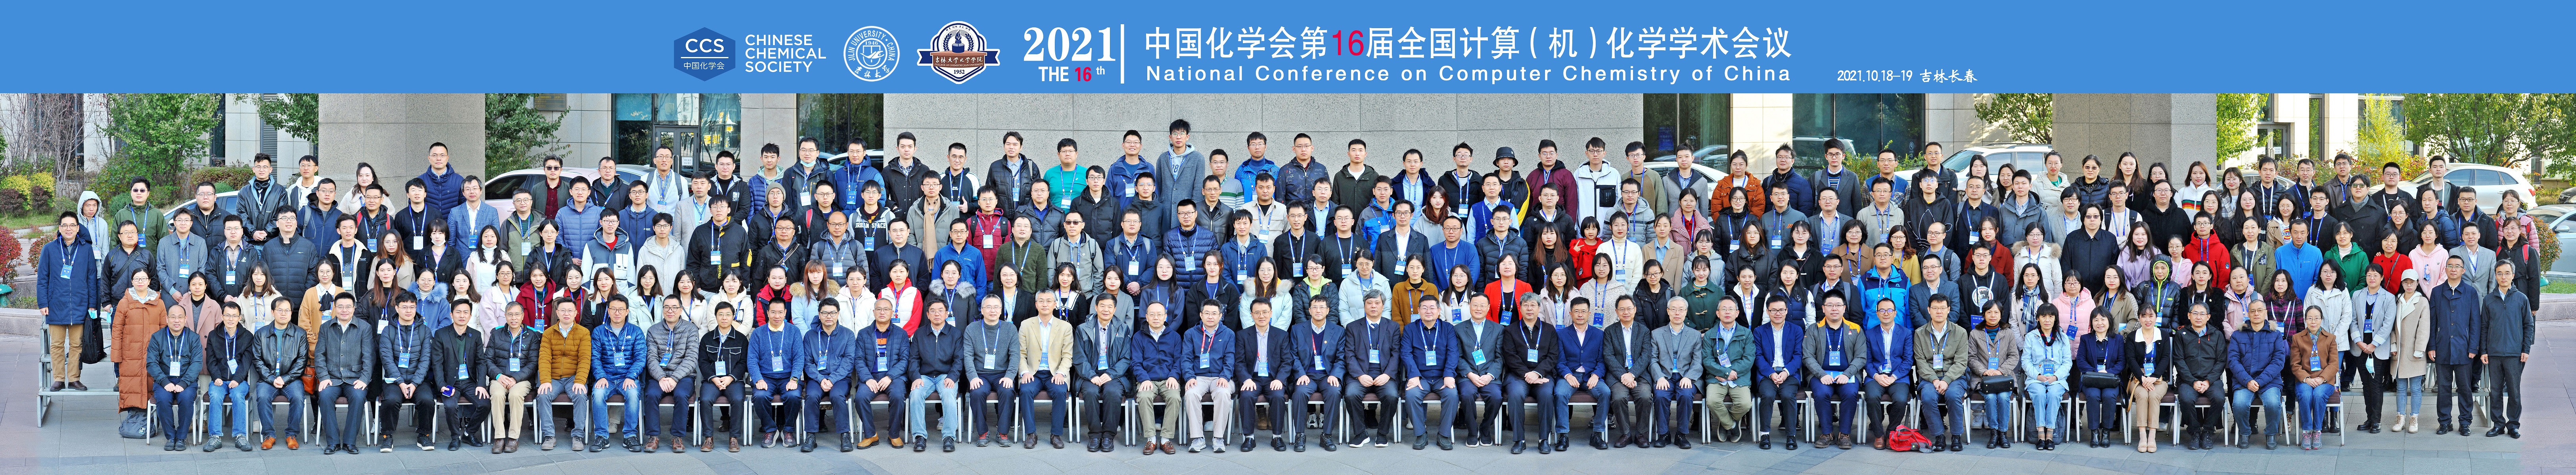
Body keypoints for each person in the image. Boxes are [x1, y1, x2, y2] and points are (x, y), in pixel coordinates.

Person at [36, 212, 94, 392]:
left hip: (79, 304)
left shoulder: (86, 249)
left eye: (72, 225)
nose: (69, 229)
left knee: (77, 344)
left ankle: (74, 379)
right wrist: (43, 303)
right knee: (57, 345)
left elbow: (92, 278)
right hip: (56, 304)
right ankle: (59, 379)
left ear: (78, 228)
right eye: (65, 226)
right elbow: (42, 279)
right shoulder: (49, 249)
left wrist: (93, 304)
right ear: (60, 228)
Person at [1801, 292, 1864, 450]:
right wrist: (1821, 374)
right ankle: (1827, 433)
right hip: (1821, 375)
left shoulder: (1856, 329)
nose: (1834, 309)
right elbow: (1808, 357)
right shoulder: (1814, 329)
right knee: (1821, 394)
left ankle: (1844, 434)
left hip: (1847, 375)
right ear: (1823, 309)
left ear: (1844, 308)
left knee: (1851, 394)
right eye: (1830, 305)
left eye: (1838, 305)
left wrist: (1847, 374)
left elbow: (1861, 357)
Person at [2426, 256, 2480, 436]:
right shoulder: (2437, 292)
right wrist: (2432, 346)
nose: (2453, 269)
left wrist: (2473, 348)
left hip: (2464, 348)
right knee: (2444, 388)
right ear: (2446, 269)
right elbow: (2432, 321)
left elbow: (2475, 322)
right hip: (2442, 347)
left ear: (2463, 271)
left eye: (2457, 266)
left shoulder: (2471, 292)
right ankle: (2445, 422)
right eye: (2450, 266)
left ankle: (2465, 422)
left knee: (2465, 388)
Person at [1399, 296, 1461, 450]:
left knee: (1452, 395)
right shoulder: (1410, 329)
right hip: (1420, 376)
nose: (1429, 311)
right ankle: (1421, 434)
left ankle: (1444, 435)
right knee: (1411, 395)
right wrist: (1414, 375)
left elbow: (1453, 353)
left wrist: (1449, 375)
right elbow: (1406, 354)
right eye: (1425, 308)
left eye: (1432, 308)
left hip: (1442, 377)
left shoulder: (1448, 329)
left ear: (1439, 311)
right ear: (1418, 311)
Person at [247, 296, 309, 450]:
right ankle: (269, 435)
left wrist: (286, 378)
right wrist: (271, 378)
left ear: (291, 313)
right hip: (268, 379)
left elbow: (302, 361)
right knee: (262, 397)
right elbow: (257, 360)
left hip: (292, 379)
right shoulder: (261, 334)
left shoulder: (300, 334)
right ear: (272, 312)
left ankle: (291, 435)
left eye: (287, 311)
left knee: (298, 397)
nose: (284, 314)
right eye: (280, 310)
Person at [2227, 295, 2288, 449]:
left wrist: (2260, 381)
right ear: (2248, 314)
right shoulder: (2238, 335)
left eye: (2260, 311)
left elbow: (2278, 361)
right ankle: (2245, 432)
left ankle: (2271, 433)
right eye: (2253, 311)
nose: (2256, 314)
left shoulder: (2275, 335)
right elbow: (2233, 361)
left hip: (2270, 381)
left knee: (2273, 403)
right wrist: (2248, 380)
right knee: (2239, 404)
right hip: (2244, 381)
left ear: (2266, 313)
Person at [1073, 297, 1134, 452]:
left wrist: (1112, 374)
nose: (1106, 310)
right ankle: (1095, 435)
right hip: (1090, 373)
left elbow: (1126, 358)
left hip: (1114, 374)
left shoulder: (1124, 329)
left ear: (1115, 310)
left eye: (1110, 307)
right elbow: (1079, 358)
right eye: (1102, 306)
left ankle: (1108, 436)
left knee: (1113, 392)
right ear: (1096, 308)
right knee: (1090, 392)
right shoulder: (1083, 329)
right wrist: (1091, 375)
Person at [1231, 299, 1293, 452]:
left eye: (1265, 312)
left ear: (1271, 314)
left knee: (1278, 396)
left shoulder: (1282, 335)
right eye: (1257, 313)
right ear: (1252, 315)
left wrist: (1280, 379)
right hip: (1252, 378)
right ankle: (1249, 438)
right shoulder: (1243, 335)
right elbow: (1239, 362)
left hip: (1274, 378)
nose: (1261, 316)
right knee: (1246, 396)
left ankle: (1277, 437)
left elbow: (1287, 362)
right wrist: (1246, 379)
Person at [959, 295, 1020, 447]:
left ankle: (1003, 432)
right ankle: (983, 432)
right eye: (989, 307)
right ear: (982, 310)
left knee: (1008, 391)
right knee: (977, 392)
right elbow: (968, 356)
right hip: (980, 375)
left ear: (1001, 310)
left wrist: (1010, 376)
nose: (993, 310)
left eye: (996, 307)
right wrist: (973, 377)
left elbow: (1015, 355)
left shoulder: (1010, 329)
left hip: (1003, 374)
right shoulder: (972, 329)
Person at [1914, 296, 1974, 452]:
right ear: (1929, 310)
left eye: (1942, 308)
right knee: (1928, 398)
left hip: (1954, 378)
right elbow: (1921, 362)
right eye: (1935, 308)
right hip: (1929, 378)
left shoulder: (1960, 332)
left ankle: (1956, 436)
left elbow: (1961, 362)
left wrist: (1946, 380)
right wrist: (1935, 380)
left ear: (1949, 310)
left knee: (1953, 396)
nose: (1939, 312)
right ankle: (1939, 436)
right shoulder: (1920, 333)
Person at [641, 296, 701, 452]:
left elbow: (691, 358)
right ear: (663, 310)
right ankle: (653, 436)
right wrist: (661, 377)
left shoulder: (691, 329)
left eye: (675, 308)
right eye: (667, 307)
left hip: (684, 376)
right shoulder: (653, 330)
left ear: (681, 310)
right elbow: (651, 358)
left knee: (681, 395)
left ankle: (677, 437)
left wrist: (674, 378)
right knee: (651, 395)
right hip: (659, 376)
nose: (670, 311)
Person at [1746, 295, 1804, 450]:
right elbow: (1758, 356)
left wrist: (1786, 372)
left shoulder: (1796, 330)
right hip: (1767, 374)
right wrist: (1771, 374)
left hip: (1789, 374)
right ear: (1768, 312)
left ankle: (1791, 436)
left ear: (1787, 311)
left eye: (1781, 310)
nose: (1778, 313)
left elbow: (1798, 356)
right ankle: (1765, 435)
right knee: (1767, 395)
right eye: (1774, 310)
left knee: (1788, 396)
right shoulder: (1759, 331)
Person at [907, 299, 965, 452]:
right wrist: (916, 377)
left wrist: (952, 377)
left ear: (947, 314)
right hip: (924, 376)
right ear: (928, 315)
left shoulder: (955, 334)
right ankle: (920, 437)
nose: (937, 314)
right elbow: (913, 359)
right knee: (916, 394)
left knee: (949, 394)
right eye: (933, 311)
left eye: (941, 311)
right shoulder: (920, 333)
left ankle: (949, 437)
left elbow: (959, 360)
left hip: (946, 375)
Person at [2481, 263, 2531, 438]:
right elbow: (2484, 327)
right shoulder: (2489, 300)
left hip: (2515, 354)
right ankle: (2498, 425)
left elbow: (2528, 326)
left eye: (2507, 273)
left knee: (2514, 391)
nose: (2504, 277)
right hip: (2494, 354)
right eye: (2500, 273)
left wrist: (2526, 349)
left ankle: (2513, 425)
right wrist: (2484, 350)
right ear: (2495, 276)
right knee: (2495, 391)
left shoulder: (2522, 299)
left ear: (2513, 275)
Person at [429, 300, 487, 451]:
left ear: (470, 316)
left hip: (469, 382)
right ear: (451, 314)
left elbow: (481, 362)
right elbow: (437, 363)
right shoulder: (441, 335)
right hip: (449, 382)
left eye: (466, 312)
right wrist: (442, 385)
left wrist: (481, 385)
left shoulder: (476, 335)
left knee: (485, 404)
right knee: (450, 406)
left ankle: (469, 433)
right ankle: (455, 437)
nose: (462, 315)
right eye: (458, 312)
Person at [198, 302, 255, 452]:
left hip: (240, 380)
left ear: (240, 318)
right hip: (220, 380)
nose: (231, 319)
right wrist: (216, 377)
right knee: (216, 396)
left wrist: (237, 379)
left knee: (238, 395)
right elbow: (211, 360)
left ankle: (241, 436)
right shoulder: (213, 335)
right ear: (222, 316)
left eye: (234, 316)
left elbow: (246, 362)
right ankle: (215, 437)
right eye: (228, 315)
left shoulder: (247, 337)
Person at [1018, 295, 1073, 448]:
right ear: (1036, 305)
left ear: (1055, 305)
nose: (1045, 304)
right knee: (1025, 391)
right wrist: (1025, 372)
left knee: (1061, 391)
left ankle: (1056, 435)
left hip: (1054, 373)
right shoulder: (1026, 325)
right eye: (1041, 301)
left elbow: (1067, 355)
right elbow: (1021, 354)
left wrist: (1061, 373)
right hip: (1033, 373)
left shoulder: (1065, 327)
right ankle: (1031, 434)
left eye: (1049, 301)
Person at [1130, 301, 1186, 454]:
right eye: (1152, 315)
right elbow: (1136, 363)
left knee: (1175, 397)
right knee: (1144, 396)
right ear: (1146, 317)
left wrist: (1174, 376)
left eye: (1160, 314)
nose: (1156, 318)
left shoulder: (1175, 337)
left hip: (1169, 379)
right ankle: (1151, 439)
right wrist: (1144, 378)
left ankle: (1165, 440)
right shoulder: (1138, 337)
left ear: (1165, 317)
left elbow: (1179, 361)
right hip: (1147, 379)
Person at [145, 305, 203, 451]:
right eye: (173, 317)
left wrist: (184, 383)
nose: (177, 321)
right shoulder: (157, 337)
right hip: (164, 380)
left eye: (180, 317)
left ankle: (181, 437)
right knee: (163, 400)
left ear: (186, 319)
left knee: (186, 399)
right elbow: (152, 363)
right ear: (167, 319)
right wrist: (164, 382)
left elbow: (197, 363)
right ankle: (171, 437)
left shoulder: (194, 338)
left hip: (186, 380)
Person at [1859, 297, 1913, 448]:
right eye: (1882, 311)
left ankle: (1891, 433)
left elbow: (1908, 361)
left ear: (1895, 313)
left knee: (1901, 400)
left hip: (1898, 376)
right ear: (1877, 314)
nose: (1886, 313)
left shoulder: (1906, 333)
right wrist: (1877, 376)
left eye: (1890, 310)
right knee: (1872, 397)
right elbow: (1867, 361)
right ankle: (1878, 435)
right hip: (1876, 376)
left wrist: (1894, 377)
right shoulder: (1870, 334)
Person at [2170, 303, 2226, 449]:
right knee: (2186, 399)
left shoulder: (2217, 335)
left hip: (2212, 381)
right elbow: (2179, 360)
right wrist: (2193, 381)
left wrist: (2208, 381)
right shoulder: (2181, 335)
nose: (2199, 317)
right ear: (2189, 316)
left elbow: (2221, 361)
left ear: (2208, 317)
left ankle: (2207, 431)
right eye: (2195, 313)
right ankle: (2195, 432)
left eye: (2202, 314)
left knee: (2219, 398)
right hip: (2188, 381)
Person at [484, 302, 538, 453]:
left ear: (523, 316)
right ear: (505, 316)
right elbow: (488, 360)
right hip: (500, 377)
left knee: (515, 395)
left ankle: (514, 438)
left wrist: (515, 379)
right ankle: (499, 438)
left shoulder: (532, 336)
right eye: (510, 315)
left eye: (517, 314)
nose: (514, 318)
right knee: (497, 394)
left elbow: (533, 364)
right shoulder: (496, 334)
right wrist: (499, 375)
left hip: (522, 379)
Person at [2071, 310, 2126, 448]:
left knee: (2109, 396)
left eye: (2103, 320)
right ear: (2092, 323)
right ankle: (2095, 433)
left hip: (2111, 379)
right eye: (2096, 320)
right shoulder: (2086, 339)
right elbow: (2081, 361)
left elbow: (2122, 362)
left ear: (2109, 321)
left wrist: (2108, 372)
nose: (2100, 323)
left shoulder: (2118, 339)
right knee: (2093, 396)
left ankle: (2106, 433)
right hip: (2091, 379)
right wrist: (2096, 373)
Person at [2288, 306, 2341, 449]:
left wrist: (2322, 378)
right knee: (2305, 395)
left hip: (2325, 381)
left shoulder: (2330, 338)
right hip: (2305, 380)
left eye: (2317, 318)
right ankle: (2307, 432)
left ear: (2321, 319)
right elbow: (2295, 364)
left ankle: (2317, 431)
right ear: (2305, 320)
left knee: (2319, 395)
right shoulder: (2298, 338)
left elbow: (2334, 364)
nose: (2313, 322)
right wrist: (2306, 379)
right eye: (2310, 318)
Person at [2124, 303, 2172, 452]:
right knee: (2143, 395)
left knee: (2154, 395)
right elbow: (2131, 360)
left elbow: (2165, 358)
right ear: (2139, 318)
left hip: (2159, 378)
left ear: (2156, 318)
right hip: (2137, 378)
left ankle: (2152, 436)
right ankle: (2142, 437)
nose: (2148, 320)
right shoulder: (2132, 337)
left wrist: (2154, 377)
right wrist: (2143, 378)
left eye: (2151, 316)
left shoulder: (2163, 335)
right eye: (2144, 316)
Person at [2390, 270, 2432, 433]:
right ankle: (2400, 417)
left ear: (2417, 283)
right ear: (2402, 284)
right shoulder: (2397, 300)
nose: (2409, 285)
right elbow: (2392, 325)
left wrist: (2420, 349)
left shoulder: (2422, 301)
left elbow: (2424, 327)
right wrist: (2393, 345)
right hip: (2399, 351)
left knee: (2415, 388)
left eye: (2412, 282)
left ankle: (2414, 418)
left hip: (2414, 350)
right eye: (2406, 282)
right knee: (2401, 387)